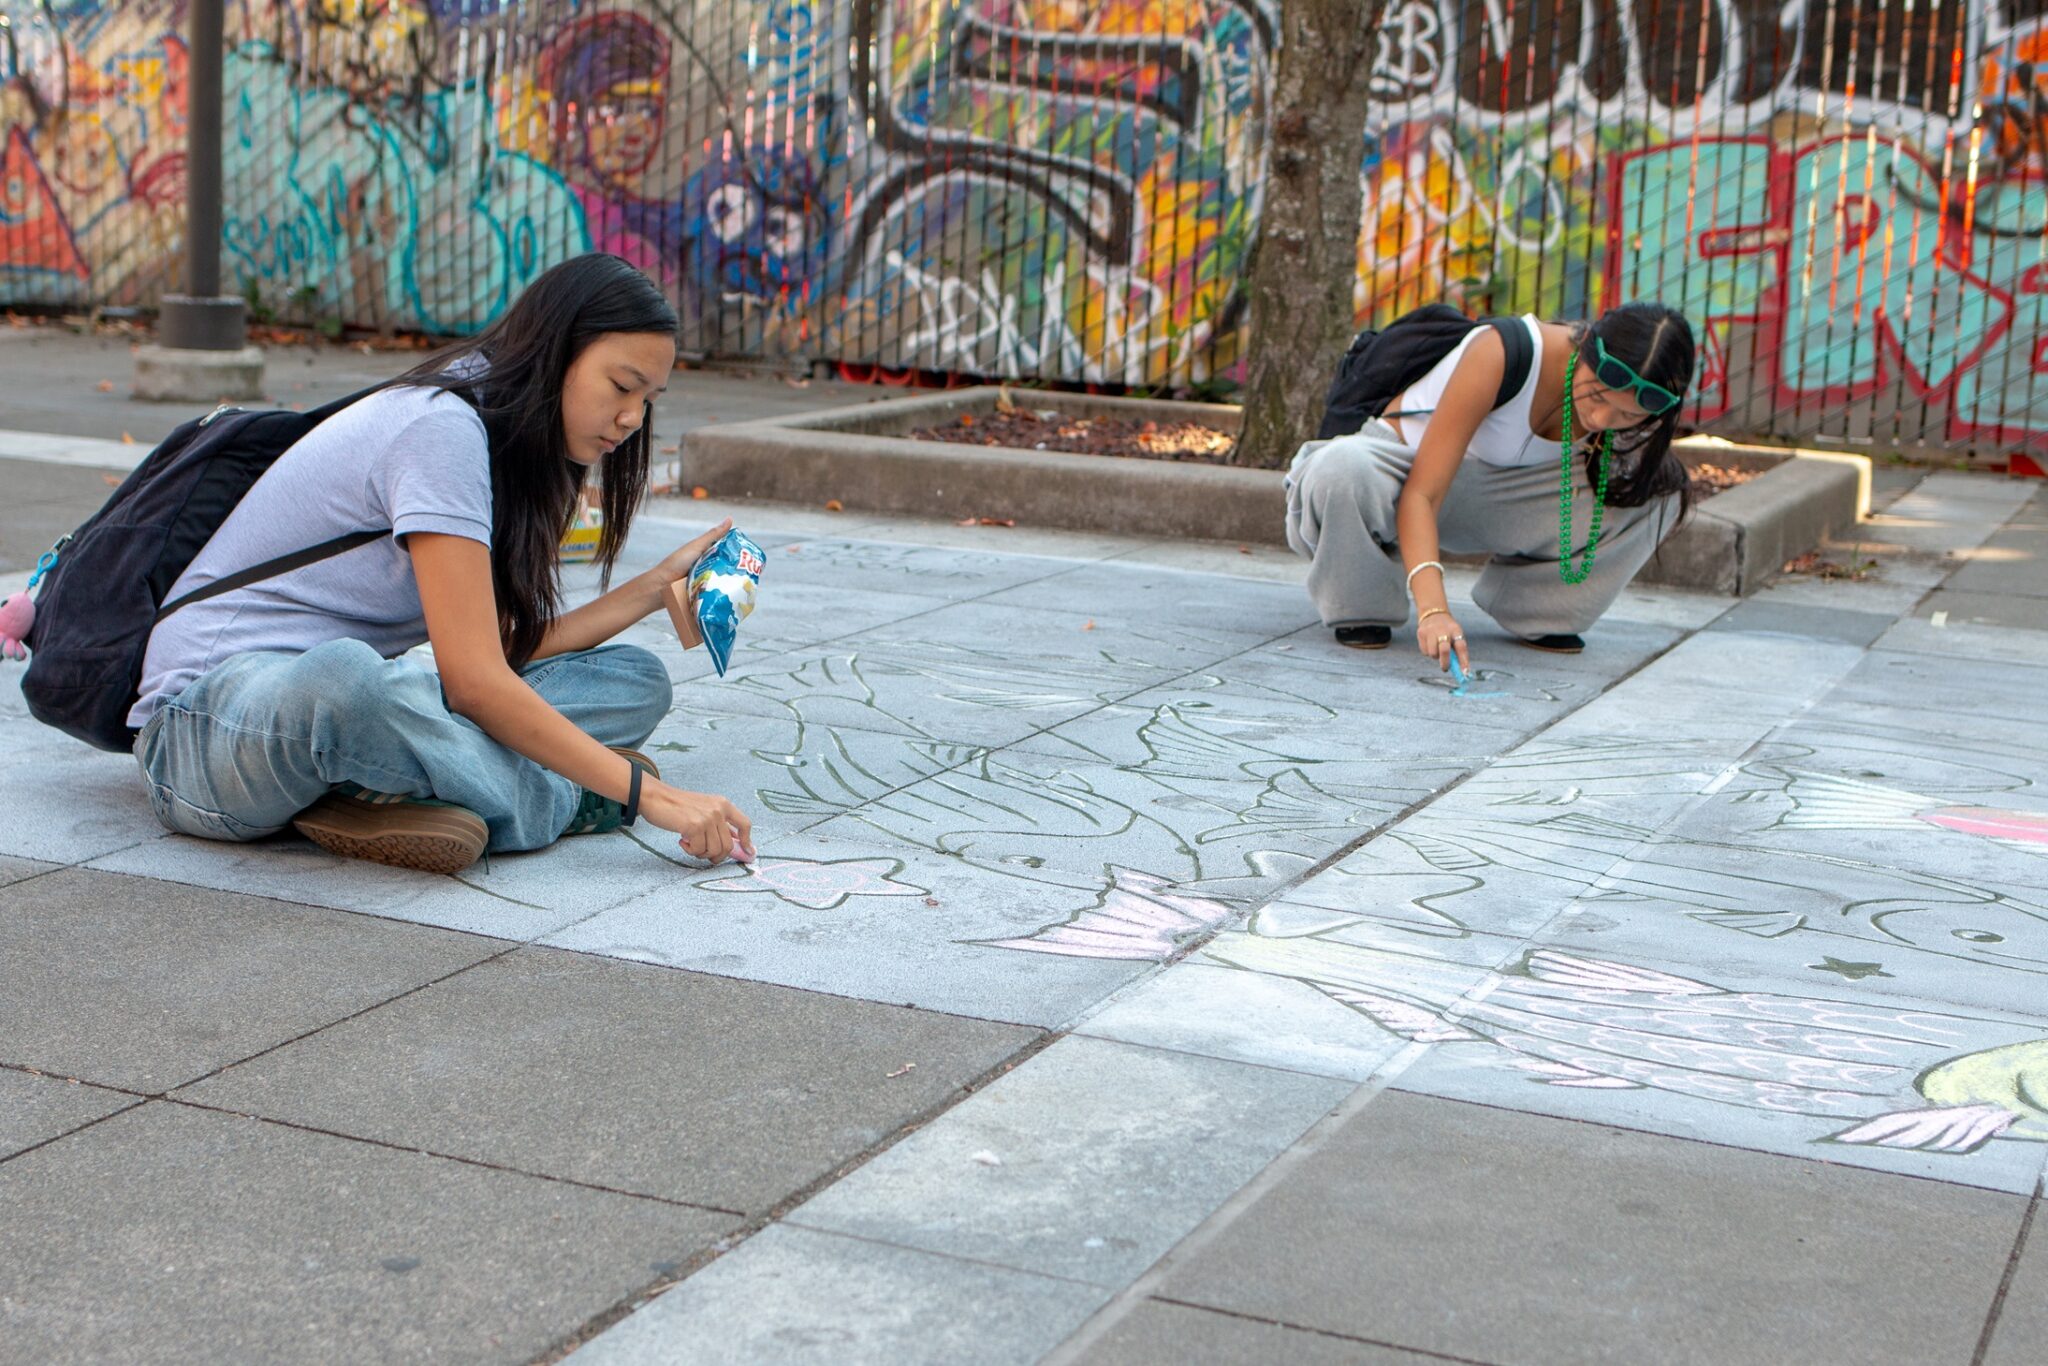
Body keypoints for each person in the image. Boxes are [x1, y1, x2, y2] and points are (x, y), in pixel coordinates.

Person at [129, 252, 754, 875]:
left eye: (650, 398)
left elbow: (497, 654)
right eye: (621, 387)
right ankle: (565, 800)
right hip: (207, 730)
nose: (632, 418)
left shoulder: (504, 434)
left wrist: (652, 587)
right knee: (349, 683)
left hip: (356, 709)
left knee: (634, 679)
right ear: (555, 353)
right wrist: (645, 794)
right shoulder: (442, 429)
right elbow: (475, 683)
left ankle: (387, 788)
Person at [1284, 301, 1696, 669]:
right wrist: (1434, 611)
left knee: (1662, 495)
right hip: (1404, 478)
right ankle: (1363, 606)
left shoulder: (1619, 413)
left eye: (1627, 416)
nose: (1603, 421)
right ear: (1586, 346)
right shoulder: (1504, 350)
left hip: (1499, 496)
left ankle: (1537, 611)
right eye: (1598, 397)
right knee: (1340, 467)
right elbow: (1421, 494)